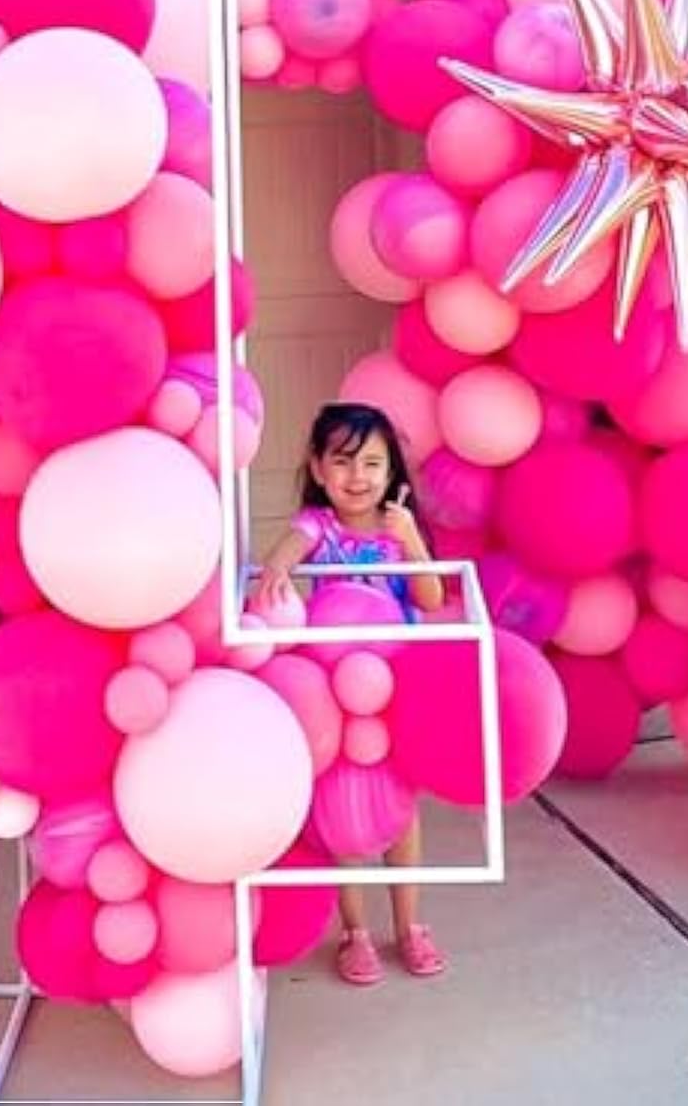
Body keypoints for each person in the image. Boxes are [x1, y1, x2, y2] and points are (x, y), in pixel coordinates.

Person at [252, 401, 447, 986]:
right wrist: (277, 571)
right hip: (335, 696)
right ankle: (355, 932)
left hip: (392, 689)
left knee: (401, 807)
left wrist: (410, 540)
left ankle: (410, 925)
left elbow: (433, 598)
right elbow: (282, 555)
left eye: (371, 463)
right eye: (342, 462)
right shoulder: (320, 528)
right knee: (342, 810)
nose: (357, 477)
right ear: (316, 468)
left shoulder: (396, 533)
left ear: (391, 475)